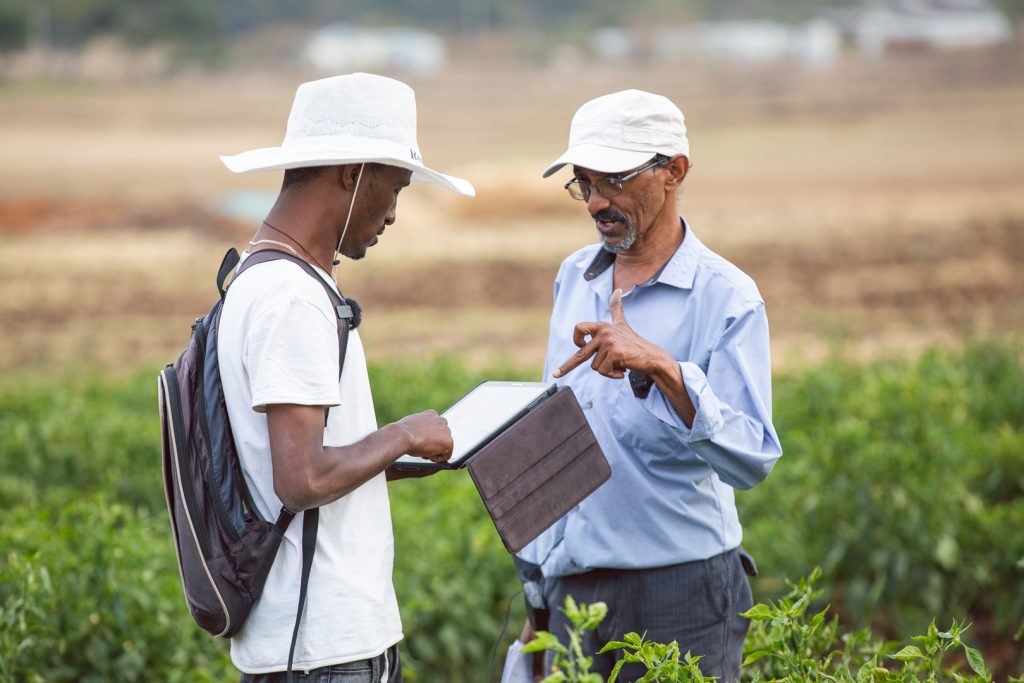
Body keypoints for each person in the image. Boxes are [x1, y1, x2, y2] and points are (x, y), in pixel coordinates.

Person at [516, 89, 783, 682]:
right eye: (584, 183)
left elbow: (752, 457)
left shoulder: (726, 297)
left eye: (613, 180)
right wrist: (536, 586)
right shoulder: (573, 277)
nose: (595, 202)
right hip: (571, 592)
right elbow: (555, 436)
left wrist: (664, 368)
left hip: (680, 594)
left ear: (674, 173)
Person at [216, 73, 475, 682]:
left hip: (308, 643)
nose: (391, 214)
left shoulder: (255, 277)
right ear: (352, 174)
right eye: (394, 189)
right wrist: (406, 435)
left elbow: (301, 459)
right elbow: (302, 478)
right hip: (322, 650)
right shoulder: (294, 299)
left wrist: (433, 448)